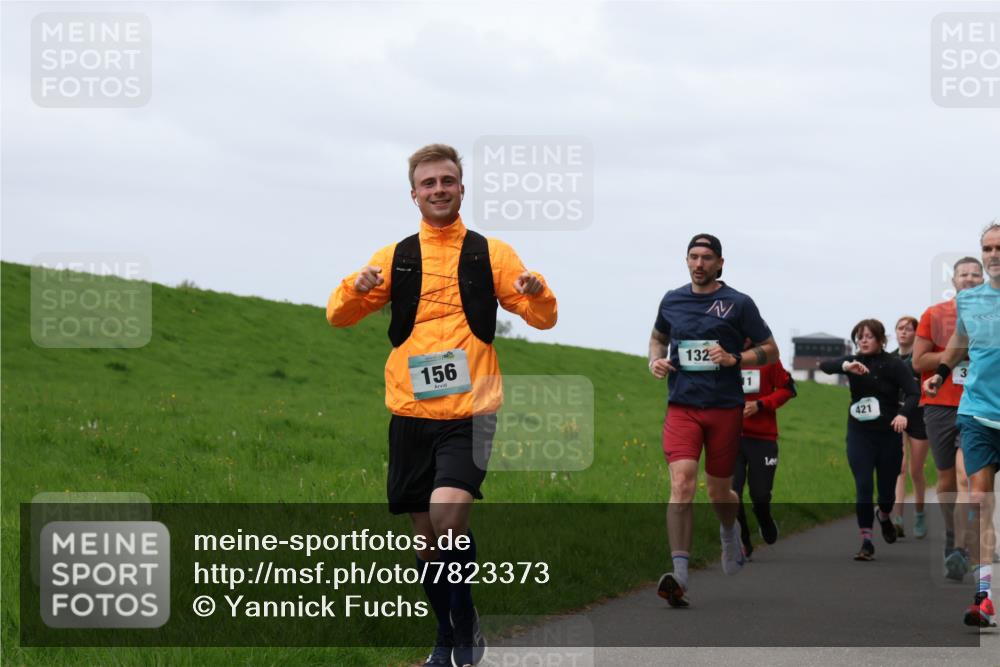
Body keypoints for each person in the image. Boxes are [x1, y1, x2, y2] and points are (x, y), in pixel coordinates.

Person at [326, 144, 558, 665]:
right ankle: (452, 628)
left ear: (461, 188)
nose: (438, 190)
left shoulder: (490, 254)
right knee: (428, 543)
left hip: (471, 411)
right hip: (410, 414)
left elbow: (542, 318)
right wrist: (355, 286)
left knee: (447, 517)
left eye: (447, 181)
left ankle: (462, 624)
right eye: (428, 183)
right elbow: (339, 316)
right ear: (414, 194)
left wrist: (536, 291)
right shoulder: (395, 256)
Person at [648, 234, 779, 607]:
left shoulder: (738, 303)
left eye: (707, 257)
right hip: (682, 406)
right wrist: (655, 360)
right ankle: (680, 575)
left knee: (719, 492)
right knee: (683, 482)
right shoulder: (672, 299)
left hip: (724, 408)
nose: (699, 263)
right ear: (686, 261)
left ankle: (729, 530)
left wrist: (735, 359)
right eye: (693, 257)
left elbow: (771, 351)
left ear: (720, 263)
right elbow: (657, 338)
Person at [924, 221, 1000, 629]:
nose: (993, 255)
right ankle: (984, 598)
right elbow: (960, 343)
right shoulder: (970, 300)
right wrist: (940, 371)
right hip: (976, 413)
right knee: (979, 499)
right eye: (987, 248)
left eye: (999, 247)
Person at [820, 319, 919, 561]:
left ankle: (884, 515)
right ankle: (867, 541)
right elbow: (824, 365)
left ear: (881, 339)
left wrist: (903, 414)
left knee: (886, 495)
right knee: (863, 486)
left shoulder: (894, 365)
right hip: (859, 434)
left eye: (868, 336)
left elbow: (914, 393)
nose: (863, 340)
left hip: (888, 435)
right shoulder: (853, 363)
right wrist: (846, 365)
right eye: (859, 337)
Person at [912, 257, 985, 580]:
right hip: (940, 404)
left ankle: (966, 546)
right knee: (946, 481)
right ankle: (953, 538)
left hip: (978, 404)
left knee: (966, 476)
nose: (969, 279)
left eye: (975, 274)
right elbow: (918, 361)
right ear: (953, 281)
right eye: (963, 274)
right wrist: (956, 353)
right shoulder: (935, 314)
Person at [733, 340, 797, 559]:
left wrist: (760, 404)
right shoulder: (724, 356)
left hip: (763, 438)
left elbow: (788, 390)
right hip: (730, 437)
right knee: (732, 493)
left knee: (760, 495)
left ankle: (764, 518)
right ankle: (742, 540)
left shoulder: (768, 358)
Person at [889, 316, 931, 539]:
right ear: (895, 332)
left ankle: (921, 513)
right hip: (897, 416)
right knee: (900, 467)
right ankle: (897, 518)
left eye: (908, 329)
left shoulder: (921, 359)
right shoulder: (890, 359)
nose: (904, 332)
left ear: (916, 333)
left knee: (916, 470)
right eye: (900, 328)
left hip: (919, 415)